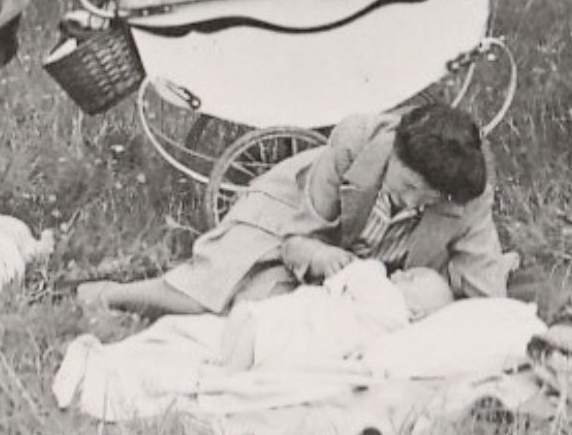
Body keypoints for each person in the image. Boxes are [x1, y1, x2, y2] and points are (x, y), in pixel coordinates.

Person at [78, 102, 516, 317]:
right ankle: (108, 295)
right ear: (393, 154)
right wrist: (321, 257)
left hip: (368, 267)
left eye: (429, 198)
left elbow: (488, 294)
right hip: (294, 211)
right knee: (209, 296)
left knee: (276, 322)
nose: (413, 202)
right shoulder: (358, 139)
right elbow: (299, 238)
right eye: (405, 187)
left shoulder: (467, 192)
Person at [217, 259, 457, 372]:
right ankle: (225, 361)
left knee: (255, 328)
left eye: (411, 278)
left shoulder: (392, 304)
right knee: (247, 315)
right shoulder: (391, 317)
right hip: (310, 310)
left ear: (415, 312)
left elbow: (364, 278)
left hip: (315, 326)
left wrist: (374, 266)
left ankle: (229, 372)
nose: (401, 273)